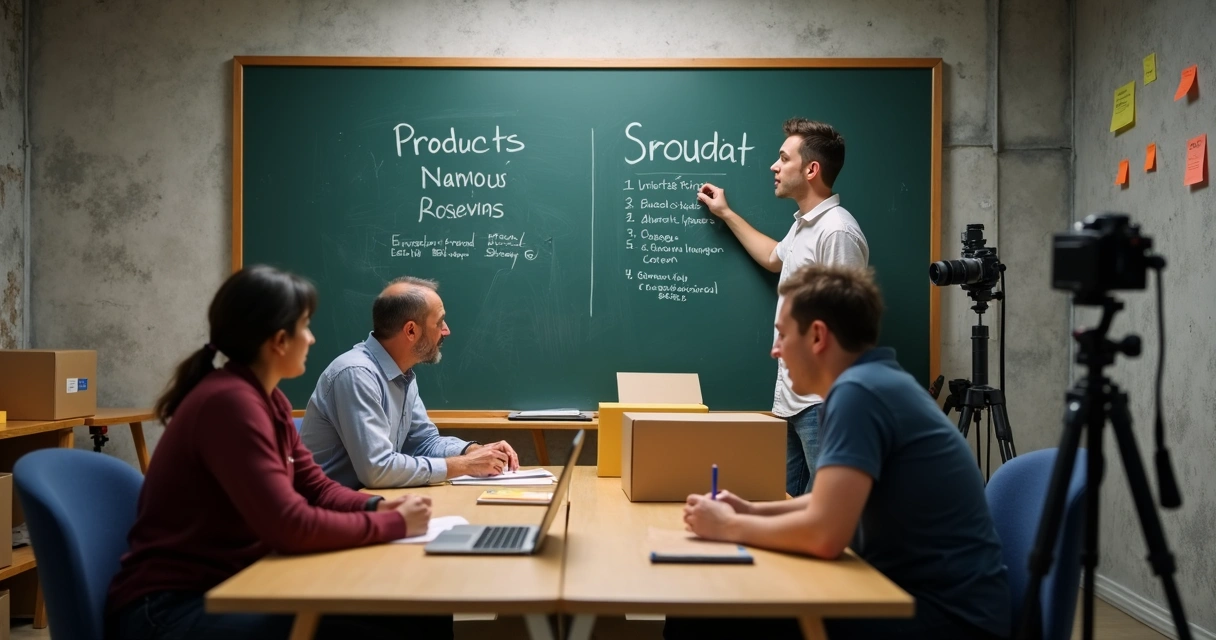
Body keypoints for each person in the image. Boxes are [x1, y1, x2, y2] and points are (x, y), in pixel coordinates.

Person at [107, 265, 451, 640]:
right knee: (382, 627)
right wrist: (395, 524)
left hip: (236, 582)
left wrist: (376, 507)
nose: (312, 339)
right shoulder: (229, 404)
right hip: (171, 608)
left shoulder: (268, 400)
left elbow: (317, 488)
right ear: (278, 340)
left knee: (418, 612)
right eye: (304, 326)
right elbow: (290, 526)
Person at [667, 265, 1010, 640]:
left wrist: (728, 526)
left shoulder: (859, 393)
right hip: (922, 599)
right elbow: (825, 503)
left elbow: (824, 536)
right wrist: (751, 511)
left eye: (782, 334)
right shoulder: (871, 383)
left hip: (946, 619)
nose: (774, 350)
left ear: (817, 336)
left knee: (701, 612)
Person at [697, 118, 868, 497]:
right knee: (787, 503)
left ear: (811, 169)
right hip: (793, 401)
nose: (774, 167)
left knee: (820, 514)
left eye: (782, 158)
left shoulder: (835, 231)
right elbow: (774, 257)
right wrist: (725, 213)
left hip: (821, 404)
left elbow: (847, 324)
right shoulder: (806, 226)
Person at [302, 276, 519, 489]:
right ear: (411, 330)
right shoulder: (356, 374)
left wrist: (473, 451)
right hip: (324, 513)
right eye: (440, 321)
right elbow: (377, 470)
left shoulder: (401, 373)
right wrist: (464, 465)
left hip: (369, 504)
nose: (446, 330)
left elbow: (424, 443)